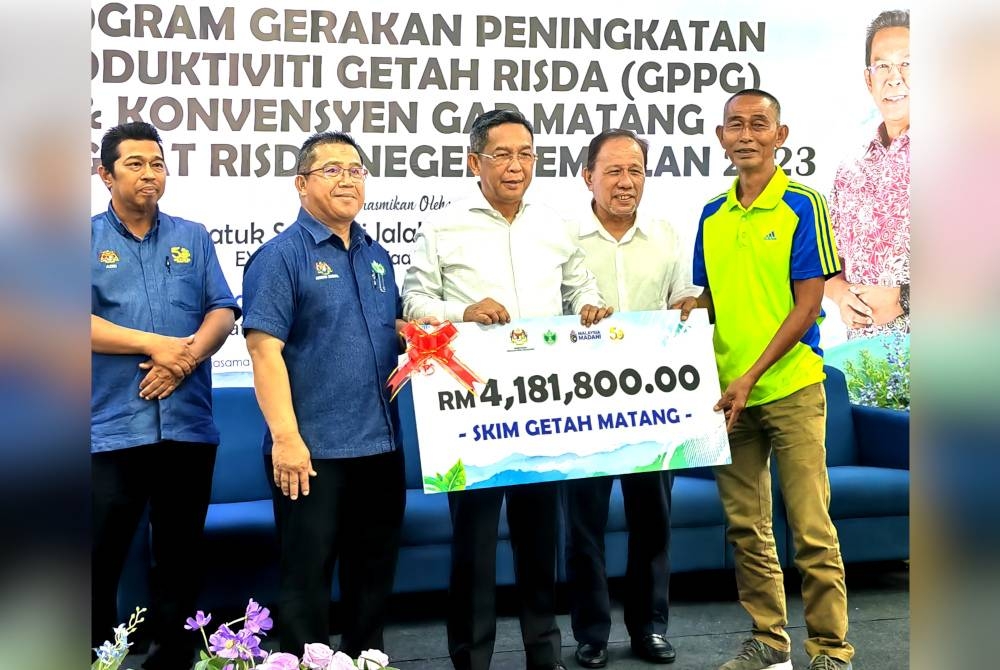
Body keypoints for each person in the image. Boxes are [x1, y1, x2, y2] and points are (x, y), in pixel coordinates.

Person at [402, 108, 612, 670]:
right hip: (470, 413)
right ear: (475, 162)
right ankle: (470, 660)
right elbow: (414, 307)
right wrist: (463, 312)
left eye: (526, 155)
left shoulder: (553, 224)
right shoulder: (442, 227)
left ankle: (544, 657)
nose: (516, 166)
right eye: (502, 154)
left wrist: (588, 306)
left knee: (540, 545)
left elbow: (580, 287)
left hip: (541, 408)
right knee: (472, 548)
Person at [693, 90, 854, 670]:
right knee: (746, 527)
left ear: (780, 135)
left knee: (810, 526)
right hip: (728, 398)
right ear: (720, 137)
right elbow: (711, 300)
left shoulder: (804, 205)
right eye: (735, 125)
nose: (747, 135)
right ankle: (769, 640)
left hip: (790, 387)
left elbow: (808, 305)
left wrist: (752, 374)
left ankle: (831, 650)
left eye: (759, 124)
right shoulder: (712, 214)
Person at [241, 131, 410, 657]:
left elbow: (392, 331)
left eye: (355, 170)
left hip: (380, 450)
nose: (347, 179)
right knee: (305, 588)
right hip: (311, 454)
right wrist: (286, 439)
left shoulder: (376, 254)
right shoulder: (280, 258)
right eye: (332, 169)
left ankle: (367, 664)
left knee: (372, 583)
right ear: (301, 184)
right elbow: (264, 351)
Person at [91, 121, 239, 670]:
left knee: (180, 558)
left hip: (187, 426)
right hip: (110, 428)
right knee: (97, 559)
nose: (149, 173)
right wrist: (158, 345)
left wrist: (186, 361)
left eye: (157, 163)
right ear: (105, 174)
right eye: (134, 164)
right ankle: (94, 657)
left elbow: (222, 309)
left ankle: (172, 659)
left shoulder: (192, 236)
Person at [563, 129, 700, 668]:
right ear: (587, 176)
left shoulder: (665, 235)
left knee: (653, 522)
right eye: (614, 171)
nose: (626, 182)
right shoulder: (563, 239)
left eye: (636, 171)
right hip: (580, 405)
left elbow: (681, 298)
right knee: (583, 527)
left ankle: (649, 628)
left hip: (650, 403)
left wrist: (691, 304)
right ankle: (591, 633)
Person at [825, 10, 910, 339]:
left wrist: (904, 298)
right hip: (866, 370)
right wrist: (840, 295)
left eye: (908, 63)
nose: (894, 78)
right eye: (883, 66)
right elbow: (829, 268)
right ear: (868, 80)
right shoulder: (851, 170)